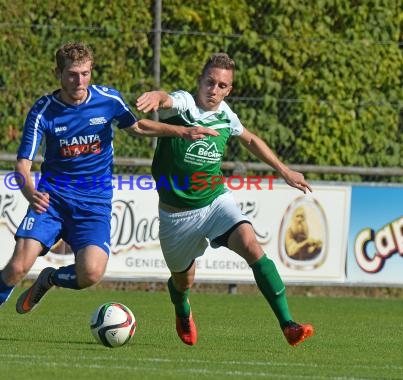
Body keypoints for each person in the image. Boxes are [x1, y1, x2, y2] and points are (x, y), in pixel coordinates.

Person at [0, 41, 217, 344]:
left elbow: (137, 127)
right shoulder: (44, 111)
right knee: (17, 266)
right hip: (52, 200)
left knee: (91, 274)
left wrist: (182, 131)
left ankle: (50, 278)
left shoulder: (107, 99)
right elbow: (22, 166)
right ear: (58, 73)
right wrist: (29, 192)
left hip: (94, 203)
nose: (79, 81)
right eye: (72, 74)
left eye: (85, 73)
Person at [135, 52, 315, 346]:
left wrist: (284, 170)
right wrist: (158, 96)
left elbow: (251, 140)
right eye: (210, 82)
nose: (214, 90)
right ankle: (182, 308)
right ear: (200, 81)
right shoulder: (185, 103)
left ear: (229, 89)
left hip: (215, 202)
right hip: (176, 216)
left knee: (251, 244)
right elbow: (168, 100)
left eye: (222, 85)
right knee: (184, 281)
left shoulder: (226, 115)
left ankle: (288, 324)